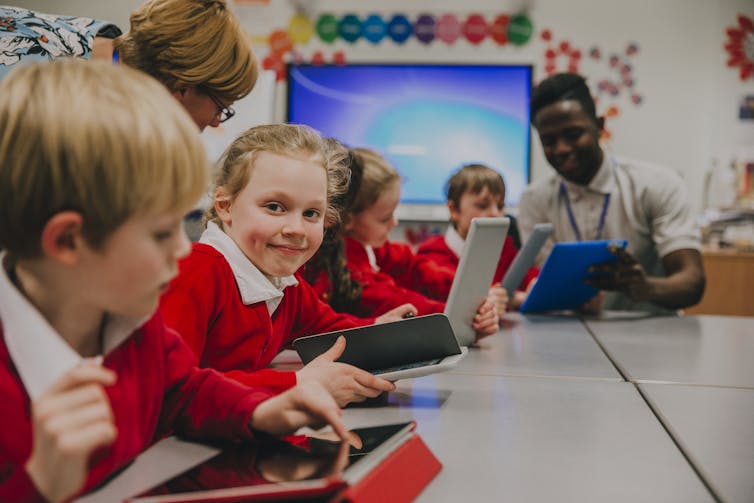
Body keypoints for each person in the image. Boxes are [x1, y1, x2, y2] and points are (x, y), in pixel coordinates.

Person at [0, 60, 349, 503]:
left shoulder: (135, 325)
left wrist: (261, 409)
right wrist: (41, 483)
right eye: (163, 233)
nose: (183, 251)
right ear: (69, 240)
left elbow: (184, 390)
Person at [160, 125, 401, 407]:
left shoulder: (283, 283)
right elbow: (171, 389)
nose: (296, 229)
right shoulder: (197, 272)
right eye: (275, 207)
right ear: (225, 207)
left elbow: (331, 331)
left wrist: (383, 331)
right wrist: (296, 385)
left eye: (312, 213)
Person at [518, 72, 705, 313]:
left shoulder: (657, 184)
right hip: (570, 338)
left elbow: (693, 282)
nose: (561, 148)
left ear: (599, 126)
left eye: (573, 134)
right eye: (549, 140)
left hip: (652, 337)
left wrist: (646, 287)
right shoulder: (534, 200)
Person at [1, 0, 255, 132]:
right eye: (221, 108)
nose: (215, 123)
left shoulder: (98, 45)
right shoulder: (33, 90)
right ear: (181, 88)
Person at [336, 148, 501, 341]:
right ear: (348, 219)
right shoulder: (348, 263)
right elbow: (389, 299)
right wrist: (460, 316)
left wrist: (470, 295)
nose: (394, 223)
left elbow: (416, 270)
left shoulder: (373, 247)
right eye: (384, 218)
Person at [417, 163, 537, 310]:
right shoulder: (432, 254)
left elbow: (529, 276)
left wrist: (536, 284)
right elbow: (460, 296)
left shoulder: (504, 247)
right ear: (454, 209)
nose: (496, 214)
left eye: (500, 206)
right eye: (482, 205)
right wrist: (511, 298)